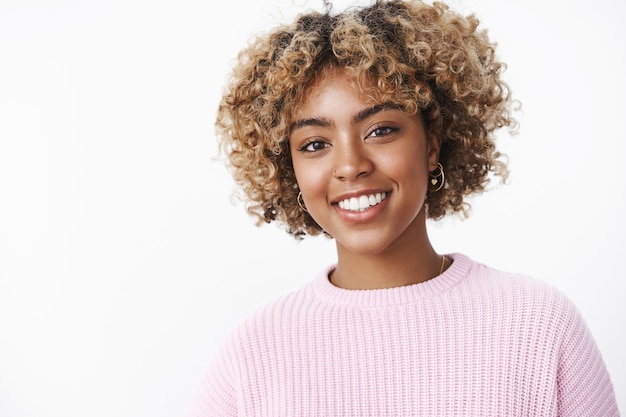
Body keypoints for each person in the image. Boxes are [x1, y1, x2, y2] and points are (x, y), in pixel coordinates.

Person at [188, 0, 619, 415]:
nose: (351, 165)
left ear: (431, 145)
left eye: (381, 130)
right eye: (315, 144)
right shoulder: (251, 358)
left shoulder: (539, 327)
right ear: (289, 169)